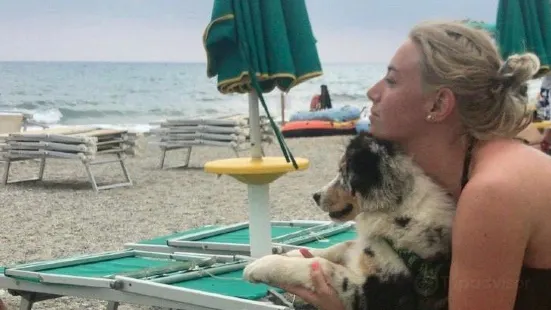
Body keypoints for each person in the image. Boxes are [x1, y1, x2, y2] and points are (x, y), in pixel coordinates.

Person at [279, 20, 551, 310]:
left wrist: (341, 304)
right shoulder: (485, 164)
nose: (373, 91)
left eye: (391, 81)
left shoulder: (493, 192)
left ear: (438, 105)